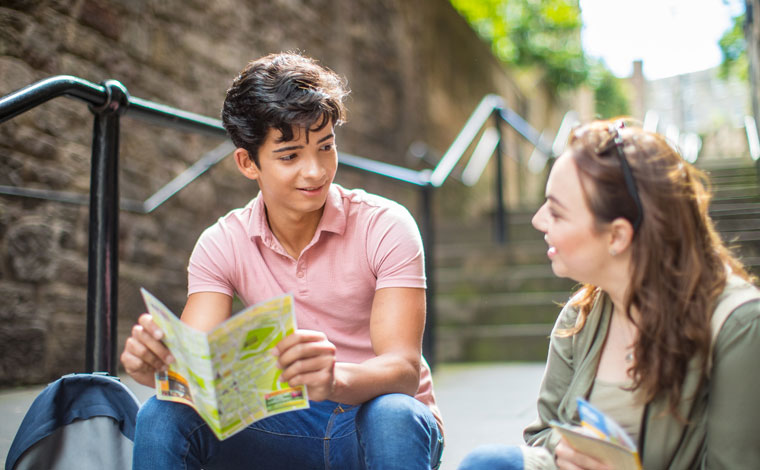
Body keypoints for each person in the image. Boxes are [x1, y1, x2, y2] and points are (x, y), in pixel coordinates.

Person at [120, 52, 444, 470]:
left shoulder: (386, 225)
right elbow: (195, 368)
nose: (315, 171)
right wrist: (156, 369)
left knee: (395, 413)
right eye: (290, 156)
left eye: (325, 147)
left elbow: (403, 370)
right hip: (281, 426)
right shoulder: (222, 243)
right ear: (247, 162)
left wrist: (333, 380)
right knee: (162, 414)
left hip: (372, 424)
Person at [459, 119, 760, 470]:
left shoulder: (738, 325)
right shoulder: (580, 316)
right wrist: (568, 452)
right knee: (487, 463)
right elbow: (541, 437)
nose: (539, 221)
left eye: (556, 211)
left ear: (617, 236)